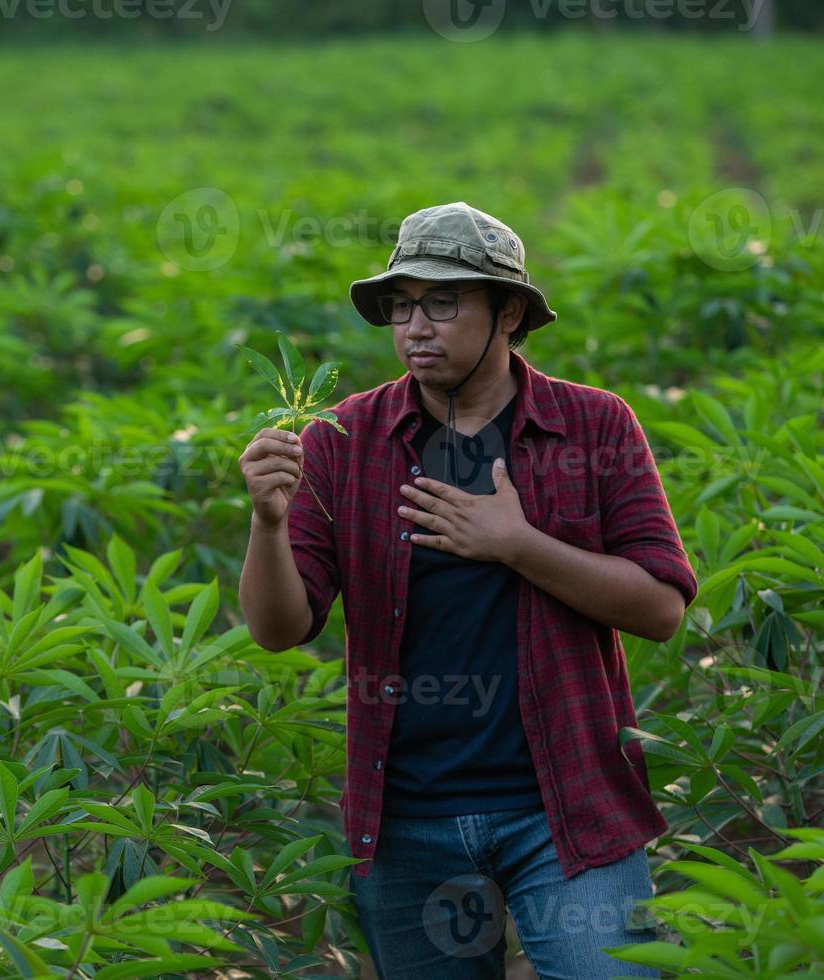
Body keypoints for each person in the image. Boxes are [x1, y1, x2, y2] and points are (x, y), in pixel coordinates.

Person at [236, 202, 698, 979]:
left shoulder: (593, 427)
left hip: (566, 811)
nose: (417, 325)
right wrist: (268, 523)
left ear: (509, 312)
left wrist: (516, 544)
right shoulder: (343, 441)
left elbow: (661, 608)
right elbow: (279, 629)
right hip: (408, 820)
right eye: (403, 304)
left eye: (443, 303)